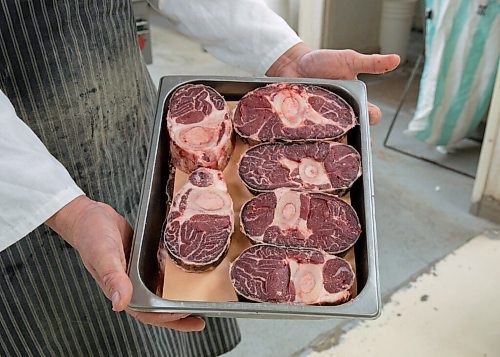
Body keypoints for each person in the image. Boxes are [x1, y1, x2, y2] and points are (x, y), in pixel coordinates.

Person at [0, 0, 400, 356]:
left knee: (181, 322)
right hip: (18, 193)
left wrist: (282, 54)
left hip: (154, 129)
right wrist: (67, 211)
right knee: (83, 328)